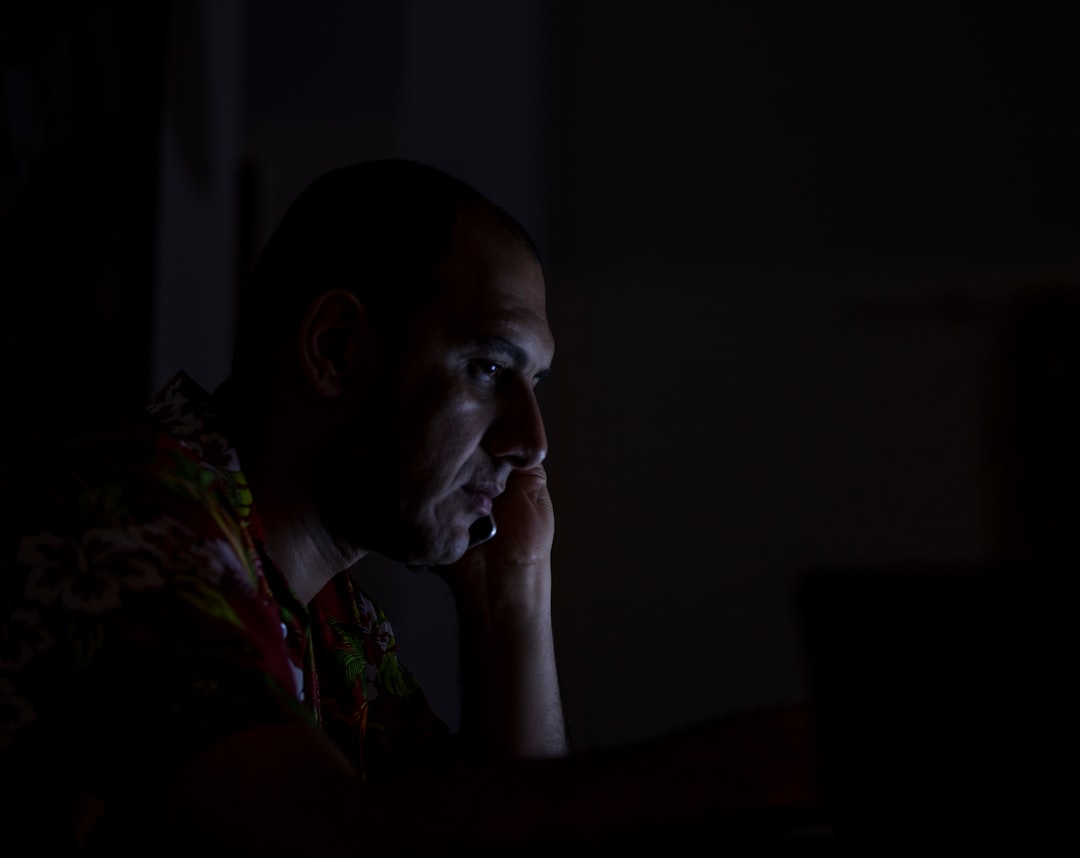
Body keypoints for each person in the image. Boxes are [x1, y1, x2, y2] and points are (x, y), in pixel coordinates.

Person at [1, 159, 821, 855]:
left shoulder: (341, 630)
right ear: (335, 349)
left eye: (534, 384)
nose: (533, 443)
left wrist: (512, 595)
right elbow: (315, 843)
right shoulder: (116, 504)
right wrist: (752, 768)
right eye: (490, 368)